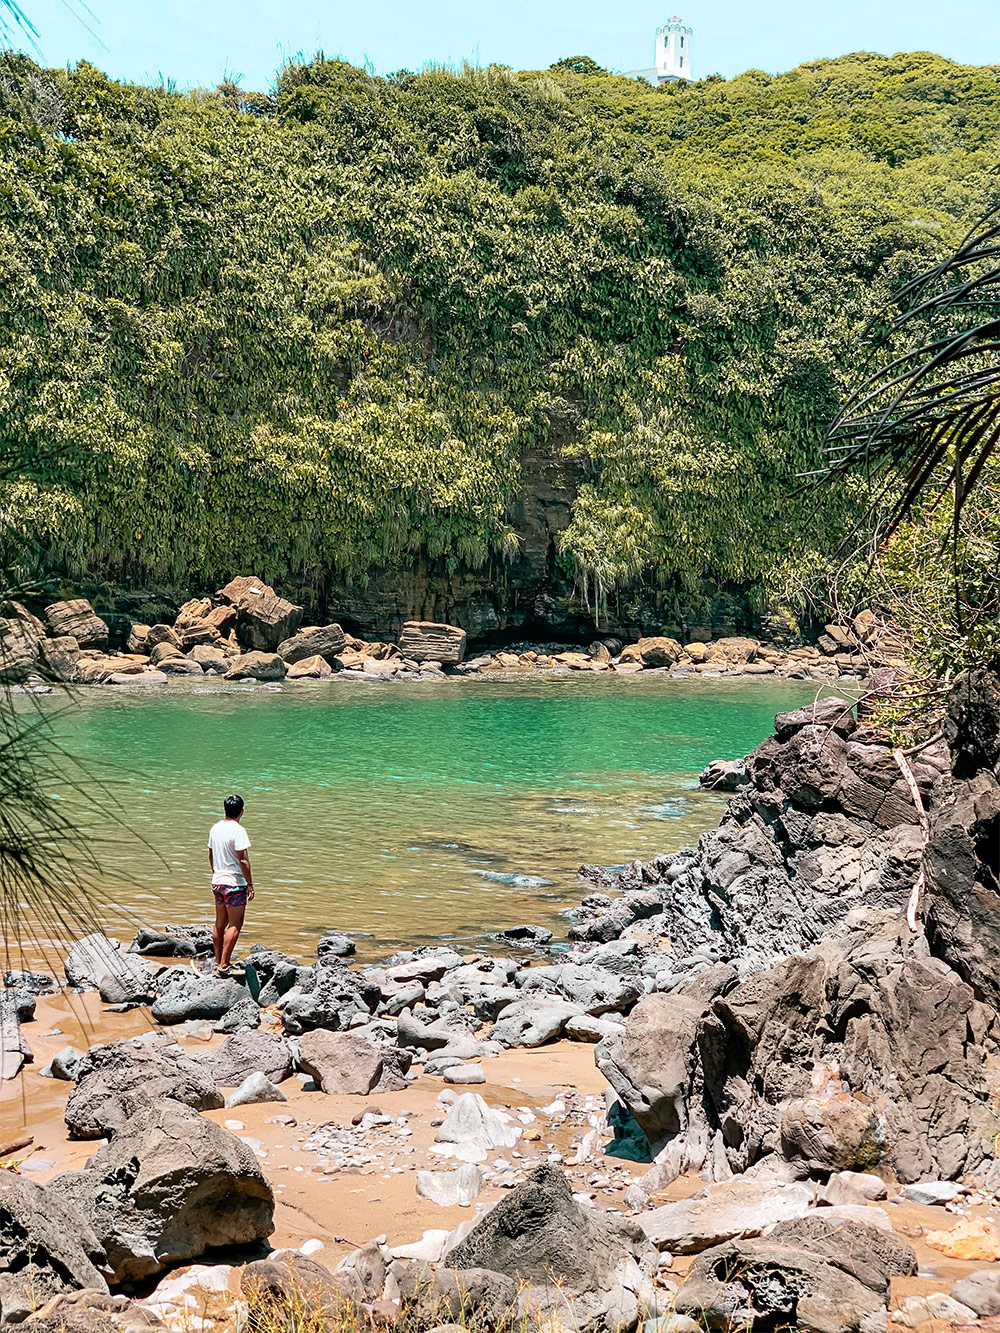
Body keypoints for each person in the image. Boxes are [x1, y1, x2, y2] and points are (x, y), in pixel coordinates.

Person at [208, 793, 254, 978]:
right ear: (241, 811)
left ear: (225, 809)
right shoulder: (238, 830)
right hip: (234, 883)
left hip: (218, 881)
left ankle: (218, 962)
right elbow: (243, 859)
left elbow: (210, 855)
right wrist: (250, 883)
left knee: (220, 923)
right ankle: (224, 966)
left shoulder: (215, 829)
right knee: (235, 924)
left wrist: (216, 873)